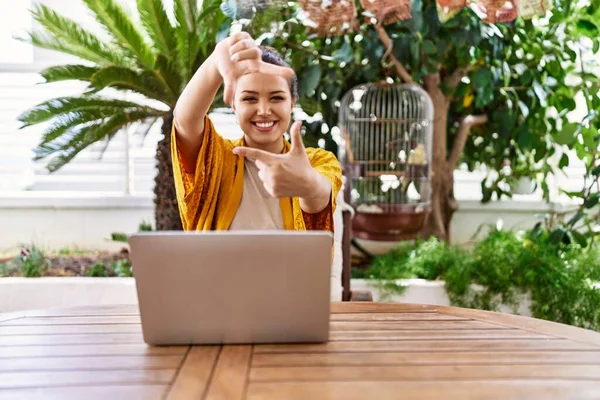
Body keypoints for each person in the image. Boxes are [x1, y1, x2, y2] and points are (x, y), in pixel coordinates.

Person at [171, 32, 342, 232]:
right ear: (233, 105)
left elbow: (319, 198)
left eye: (276, 98)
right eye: (249, 99)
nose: (263, 111)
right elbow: (185, 120)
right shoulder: (215, 158)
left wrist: (309, 185)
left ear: (292, 104)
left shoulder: (317, 162)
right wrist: (217, 58)